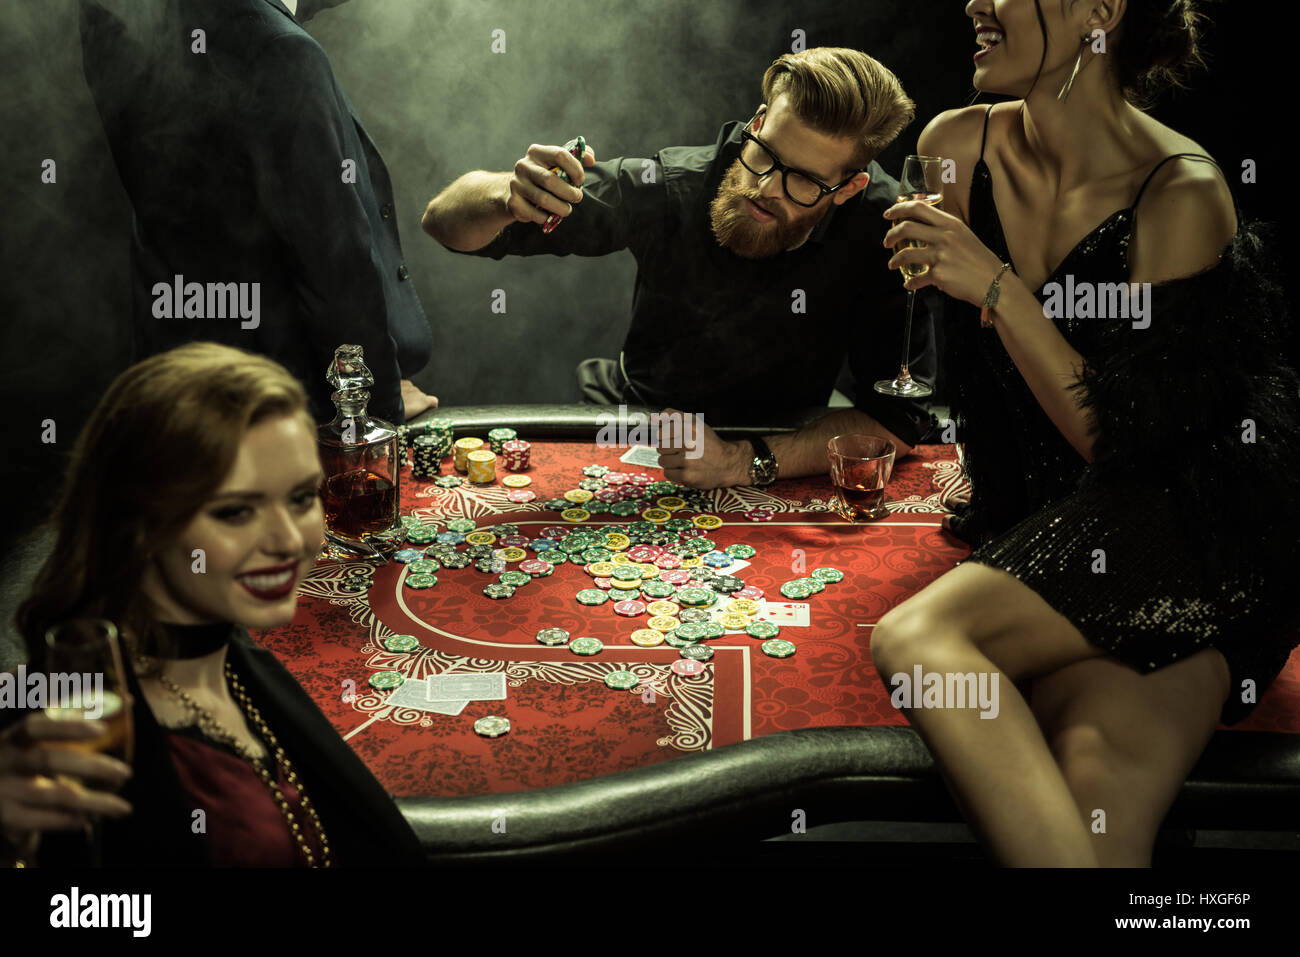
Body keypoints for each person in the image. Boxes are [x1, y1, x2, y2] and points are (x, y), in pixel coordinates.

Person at [869, 0, 1300, 866]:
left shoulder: (1180, 189)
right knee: (1092, 834)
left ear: (1101, 12)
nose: (977, 3)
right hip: (1043, 539)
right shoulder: (956, 148)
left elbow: (1129, 448)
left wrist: (999, 289)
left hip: (1186, 538)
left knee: (915, 639)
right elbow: (965, 378)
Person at [422, 47, 938, 489]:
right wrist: (504, 195)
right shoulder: (668, 185)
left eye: (802, 181)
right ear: (757, 123)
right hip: (637, 419)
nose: (765, 188)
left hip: (788, 437)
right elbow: (444, 223)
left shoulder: (887, 227)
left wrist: (741, 462)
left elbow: (897, 420)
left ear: (849, 188)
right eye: (765, 154)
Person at [0, 343, 426, 867]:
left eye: (299, 498)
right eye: (235, 512)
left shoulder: (235, 656)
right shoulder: (65, 731)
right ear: (139, 527)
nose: (289, 539)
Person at [78, 0, 437, 426]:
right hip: (284, 416)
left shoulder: (118, 19)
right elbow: (335, 272)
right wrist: (374, 411)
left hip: (175, 396)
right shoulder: (282, 52)